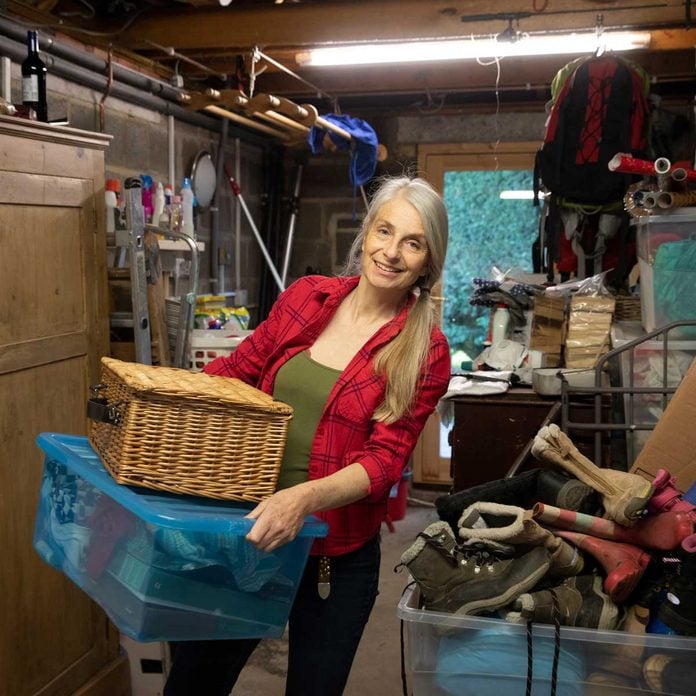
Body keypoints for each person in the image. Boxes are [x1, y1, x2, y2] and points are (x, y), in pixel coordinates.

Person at [163, 175, 451, 696]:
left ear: (429, 259)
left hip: (332, 558)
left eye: (413, 242)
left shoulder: (423, 349)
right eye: (384, 231)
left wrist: (303, 498)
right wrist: (162, 398)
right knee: (191, 686)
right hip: (249, 536)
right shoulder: (306, 298)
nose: (391, 252)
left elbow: (385, 460)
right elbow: (237, 368)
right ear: (365, 233)